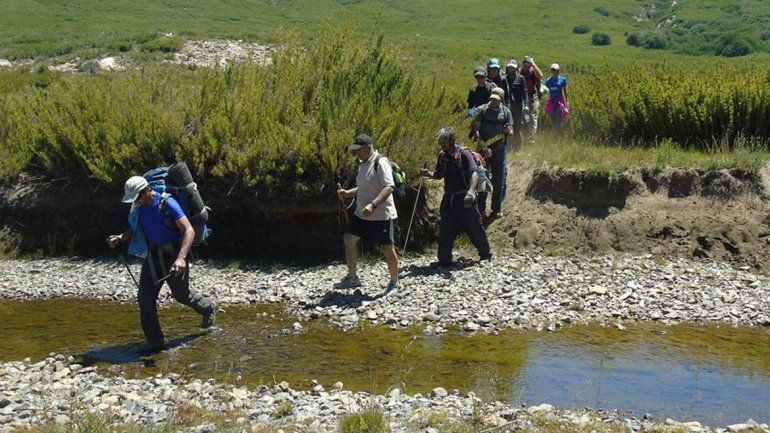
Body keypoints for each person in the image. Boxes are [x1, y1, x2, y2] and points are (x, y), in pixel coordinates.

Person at [108, 176, 217, 353]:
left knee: (181, 295)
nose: (135, 202)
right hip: (153, 255)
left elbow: (188, 230)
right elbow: (137, 228)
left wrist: (181, 258)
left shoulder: (168, 203)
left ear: (147, 190)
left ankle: (208, 307)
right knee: (145, 299)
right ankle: (156, 343)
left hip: (174, 254)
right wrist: (121, 237)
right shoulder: (139, 207)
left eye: (137, 198)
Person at [335, 134, 400, 294]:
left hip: (382, 215)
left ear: (368, 148)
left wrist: (372, 205)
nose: (356, 154)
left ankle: (394, 282)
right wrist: (348, 193)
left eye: (358, 151)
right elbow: (364, 187)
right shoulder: (362, 164)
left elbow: (389, 187)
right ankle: (352, 278)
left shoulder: (381, 162)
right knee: (349, 238)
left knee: (386, 248)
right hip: (361, 214)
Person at [420, 127, 491, 268]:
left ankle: (485, 255)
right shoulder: (442, 155)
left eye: (443, 141)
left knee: (474, 227)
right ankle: (444, 260)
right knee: (446, 229)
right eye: (440, 141)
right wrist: (428, 174)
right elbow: (439, 175)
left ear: (452, 140)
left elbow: (474, 174)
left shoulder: (464, 154)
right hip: (449, 200)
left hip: (465, 199)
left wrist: (471, 192)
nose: (441, 144)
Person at [472, 91, 513, 220]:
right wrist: (484, 147)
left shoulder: (506, 112)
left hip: (500, 150)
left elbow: (511, 131)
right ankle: (481, 210)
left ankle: (496, 209)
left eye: (496, 99)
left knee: (499, 180)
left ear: (501, 99)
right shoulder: (482, 109)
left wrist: (508, 131)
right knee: (482, 179)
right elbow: (476, 130)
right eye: (492, 99)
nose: (493, 101)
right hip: (482, 151)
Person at [501, 59, 527, 152]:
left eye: (512, 67)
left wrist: (526, 105)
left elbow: (525, 92)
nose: (511, 68)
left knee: (517, 128)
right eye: (509, 67)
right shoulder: (504, 78)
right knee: (507, 127)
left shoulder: (521, 78)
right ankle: (507, 148)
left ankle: (517, 148)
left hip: (518, 107)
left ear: (515, 68)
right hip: (507, 107)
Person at [520, 57, 544, 143]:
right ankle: (525, 135)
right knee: (524, 117)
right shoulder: (519, 72)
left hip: (533, 96)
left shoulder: (533, 71)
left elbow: (541, 75)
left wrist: (533, 64)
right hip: (523, 97)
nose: (526, 67)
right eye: (525, 65)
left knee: (533, 116)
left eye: (528, 65)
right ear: (522, 65)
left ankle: (531, 137)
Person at [545, 63, 569, 134]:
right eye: (552, 70)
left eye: (555, 70)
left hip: (559, 101)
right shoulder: (548, 80)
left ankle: (559, 133)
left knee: (559, 118)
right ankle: (556, 131)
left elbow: (565, 91)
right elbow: (546, 90)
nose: (554, 71)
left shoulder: (562, 80)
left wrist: (567, 102)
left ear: (558, 71)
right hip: (551, 101)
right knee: (551, 118)